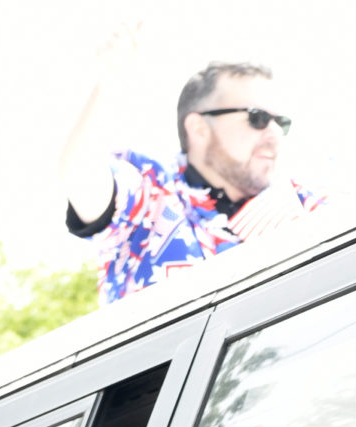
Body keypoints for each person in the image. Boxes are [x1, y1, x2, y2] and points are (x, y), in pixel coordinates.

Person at [60, 37, 324, 306]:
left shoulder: (302, 205)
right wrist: (107, 83)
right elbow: (81, 175)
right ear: (199, 128)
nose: (274, 133)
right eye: (258, 118)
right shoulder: (152, 193)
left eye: (281, 123)